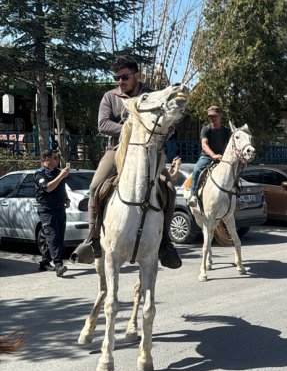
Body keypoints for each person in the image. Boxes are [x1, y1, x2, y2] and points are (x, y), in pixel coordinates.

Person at [72, 55, 181, 269]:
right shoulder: (110, 97)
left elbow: (171, 125)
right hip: (118, 149)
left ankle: (165, 243)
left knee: (170, 188)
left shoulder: (152, 95)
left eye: (124, 77)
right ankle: (92, 239)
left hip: (149, 152)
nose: (120, 82)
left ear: (136, 75)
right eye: (117, 78)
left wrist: (161, 134)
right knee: (95, 187)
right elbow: (103, 124)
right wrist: (132, 130)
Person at [35, 150, 71, 277]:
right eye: (55, 158)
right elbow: (48, 188)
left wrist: (66, 199)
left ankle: (45, 262)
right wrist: (61, 176)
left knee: (58, 238)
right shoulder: (40, 174)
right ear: (47, 159)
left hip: (60, 209)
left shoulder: (57, 172)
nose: (57, 160)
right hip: (47, 210)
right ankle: (58, 265)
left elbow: (61, 188)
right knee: (53, 237)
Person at [188, 105, 232, 206]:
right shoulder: (206, 129)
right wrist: (213, 155)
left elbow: (230, 145)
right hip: (206, 157)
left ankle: (236, 196)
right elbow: (204, 145)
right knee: (197, 169)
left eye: (215, 116)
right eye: (211, 116)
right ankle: (193, 196)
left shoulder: (226, 131)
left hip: (221, 158)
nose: (213, 118)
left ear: (221, 116)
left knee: (233, 171)